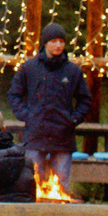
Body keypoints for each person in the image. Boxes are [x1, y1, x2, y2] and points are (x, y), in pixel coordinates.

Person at [7, 21, 96, 187]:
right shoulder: (29, 68)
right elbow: (14, 95)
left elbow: (85, 100)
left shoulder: (73, 71)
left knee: (61, 184)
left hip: (63, 135)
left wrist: (73, 119)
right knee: (33, 183)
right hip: (36, 134)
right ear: (45, 43)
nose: (58, 45)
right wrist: (27, 116)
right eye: (54, 41)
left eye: (61, 41)